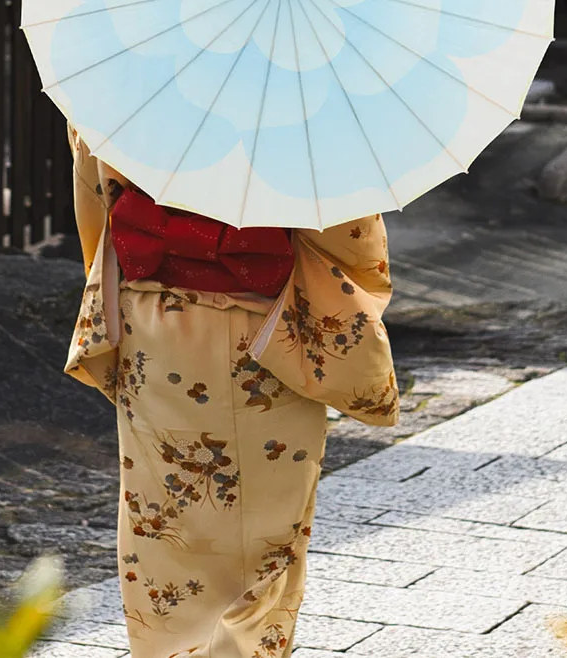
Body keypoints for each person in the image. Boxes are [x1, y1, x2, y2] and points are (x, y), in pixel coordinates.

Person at [65, 123, 399, 658]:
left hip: (155, 324)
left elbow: (95, 194)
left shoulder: (124, 88)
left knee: (164, 525)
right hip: (268, 334)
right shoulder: (302, 99)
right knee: (269, 539)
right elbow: (346, 232)